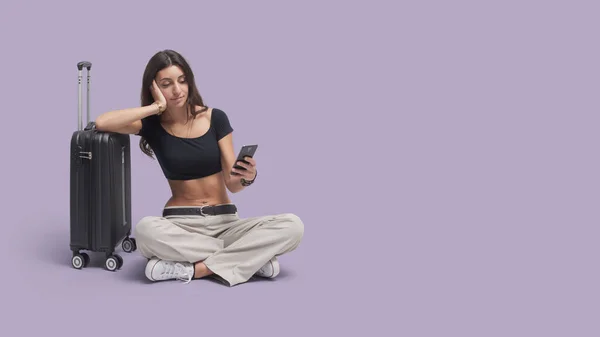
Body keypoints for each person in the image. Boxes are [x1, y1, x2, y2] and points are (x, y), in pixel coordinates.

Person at [94, 49, 304, 286]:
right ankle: (250, 258)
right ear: (154, 88)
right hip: (181, 225)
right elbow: (103, 122)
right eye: (166, 83)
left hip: (226, 223)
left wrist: (248, 177)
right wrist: (154, 108)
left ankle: (197, 270)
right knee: (145, 231)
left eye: (182, 81)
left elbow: (233, 184)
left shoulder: (216, 118)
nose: (177, 90)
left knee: (293, 226)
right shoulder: (151, 125)